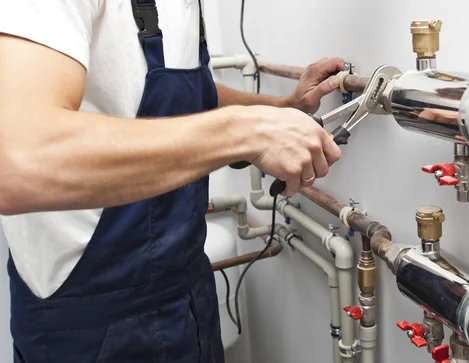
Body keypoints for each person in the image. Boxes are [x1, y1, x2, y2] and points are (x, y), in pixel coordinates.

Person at [0, 1, 343, 362]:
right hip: (92, 326)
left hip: (188, 295)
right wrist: (246, 132)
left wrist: (279, 110)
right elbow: (18, 160)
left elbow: (184, 97)